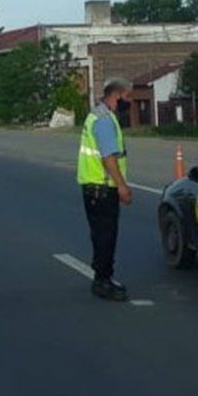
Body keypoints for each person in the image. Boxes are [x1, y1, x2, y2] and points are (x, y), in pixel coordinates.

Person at [77, 78, 134, 301]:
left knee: (101, 235)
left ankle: (102, 276)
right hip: (101, 187)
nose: (129, 102)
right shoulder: (104, 120)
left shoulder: (100, 115)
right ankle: (103, 280)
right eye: (128, 97)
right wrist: (122, 186)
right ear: (117, 95)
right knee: (105, 236)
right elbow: (108, 158)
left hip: (94, 187)